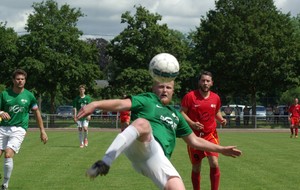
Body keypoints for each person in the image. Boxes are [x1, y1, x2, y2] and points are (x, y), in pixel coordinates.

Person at [76, 79, 242, 190]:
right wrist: (96, 104)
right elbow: (121, 104)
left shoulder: (176, 115)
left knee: (177, 187)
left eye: (168, 87)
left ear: (173, 91)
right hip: (140, 142)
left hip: (157, 157)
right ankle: (105, 162)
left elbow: (194, 140)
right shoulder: (147, 99)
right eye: (160, 86)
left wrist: (221, 149)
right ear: (154, 88)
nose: (164, 90)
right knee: (143, 123)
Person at [0, 69, 48, 190]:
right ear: (13, 80)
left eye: (22, 79)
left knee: (8, 154)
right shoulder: (4, 94)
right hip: (3, 128)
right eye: (18, 79)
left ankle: (5, 184)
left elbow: (37, 113)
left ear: (25, 81)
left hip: (19, 129)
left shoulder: (29, 96)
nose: (20, 81)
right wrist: (1, 112)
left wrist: (42, 131)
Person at [180, 71, 227, 190]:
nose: (205, 83)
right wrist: (192, 123)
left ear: (211, 83)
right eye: (203, 80)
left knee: (214, 163)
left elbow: (216, 111)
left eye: (208, 81)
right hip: (194, 137)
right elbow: (181, 113)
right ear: (199, 82)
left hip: (210, 135)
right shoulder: (190, 96)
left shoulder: (215, 97)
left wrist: (221, 119)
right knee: (196, 167)